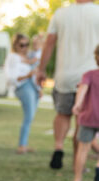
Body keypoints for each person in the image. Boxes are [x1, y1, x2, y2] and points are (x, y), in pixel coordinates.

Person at [36, 0, 99, 170]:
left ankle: (58, 147)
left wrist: (41, 69)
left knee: (63, 114)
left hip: (64, 75)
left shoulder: (60, 14)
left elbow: (49, 42)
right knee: (82, 121)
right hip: (91, 76)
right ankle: (77, 164)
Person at [6, 34, 39, 154]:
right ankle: (22, 145)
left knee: (31, 116)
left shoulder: (28, 57)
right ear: (15, 45)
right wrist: (28, 75)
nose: (24, 47)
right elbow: (11, 78)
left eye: (26, 44)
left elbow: (39, 51)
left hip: (33, 86)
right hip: (23, 86)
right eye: (21, 45)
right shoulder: (13, 57)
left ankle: (24, 143)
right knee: (29, 116)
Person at [71, 45, 99, 181]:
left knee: (82, 149)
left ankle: (77, 179)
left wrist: (77, 104)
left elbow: (82, 90)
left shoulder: (88, 75)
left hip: (88, 117)